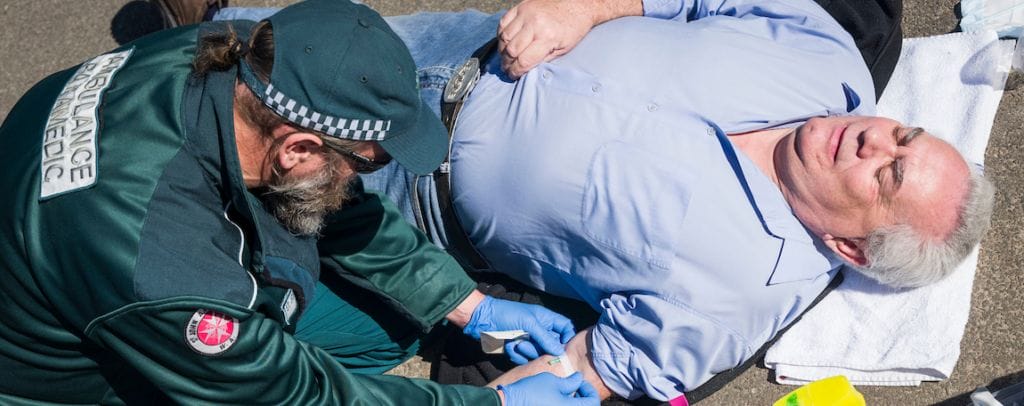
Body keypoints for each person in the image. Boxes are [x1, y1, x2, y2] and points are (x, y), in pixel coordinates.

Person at [215, 0, 996, 402]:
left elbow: (579, 375)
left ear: (851, 247)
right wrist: (584, 9)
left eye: (888, 175)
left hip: (403, 194)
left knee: (208, 167)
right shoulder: (833, 59)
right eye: (902, 135)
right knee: (221, 53)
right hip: (458, 46)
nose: (872, 141)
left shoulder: (734, 300)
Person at [0, 0, 602, 404]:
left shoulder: (235, 57)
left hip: (92, 263)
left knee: (397, 321)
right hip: (68, 377)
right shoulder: (167, 269)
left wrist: (469, 306)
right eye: (372, 161)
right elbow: (295, 396)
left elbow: (343, 203)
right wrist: (496, 403)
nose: (371, 173)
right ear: (297, 148)